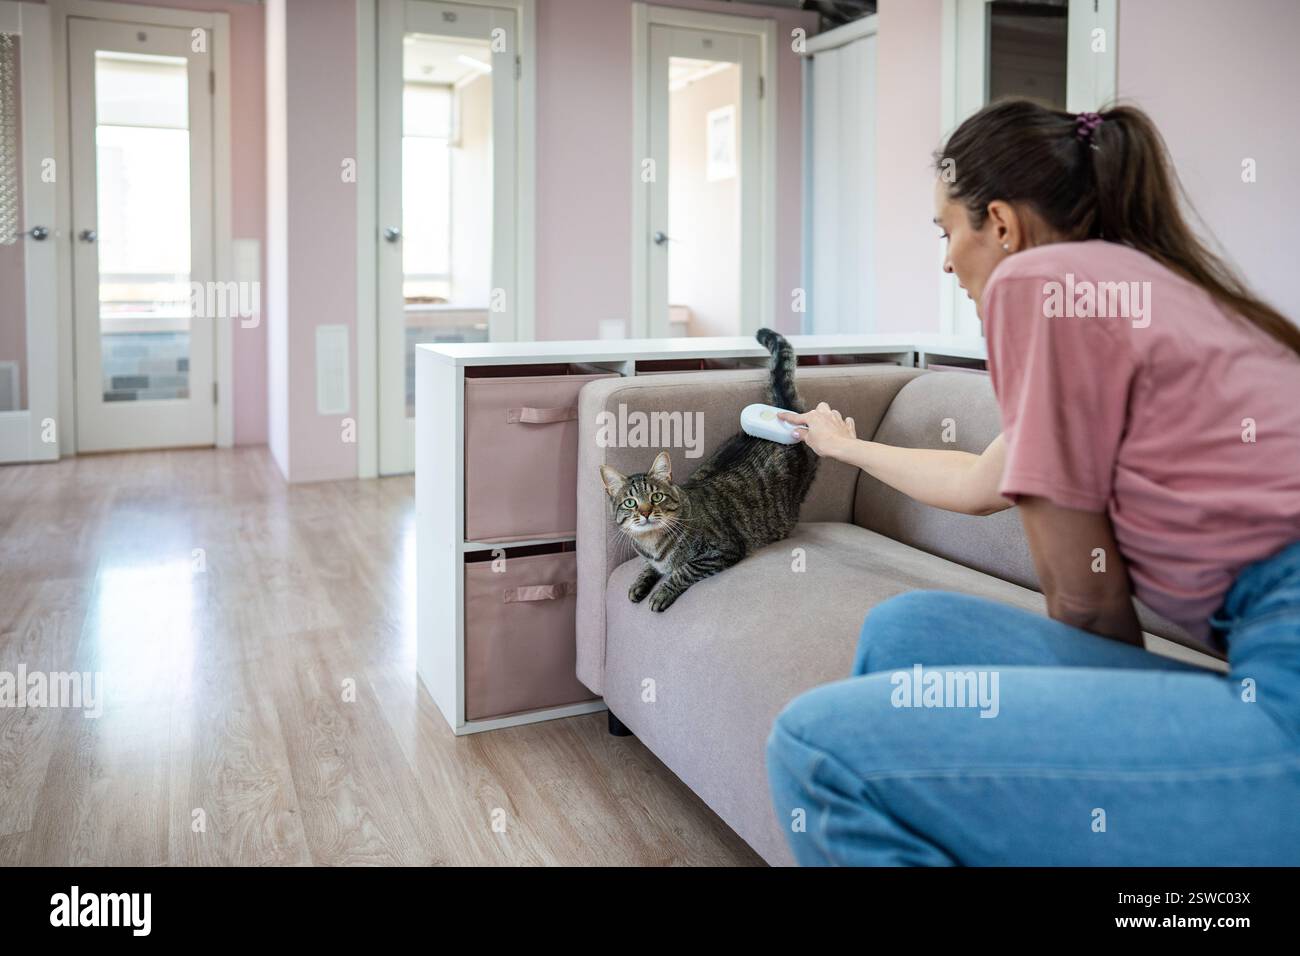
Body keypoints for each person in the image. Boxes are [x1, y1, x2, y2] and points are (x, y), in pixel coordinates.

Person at [765, 99, 1300, 865]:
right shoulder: (1126, 293)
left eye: (947, 232)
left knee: (818, 752)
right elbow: (984, 478)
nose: (946, 262)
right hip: (1267, 658)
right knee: (909, 633)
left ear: (1004, 226)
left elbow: (1084, 597)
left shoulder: (1040, 286)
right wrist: (845, 449)